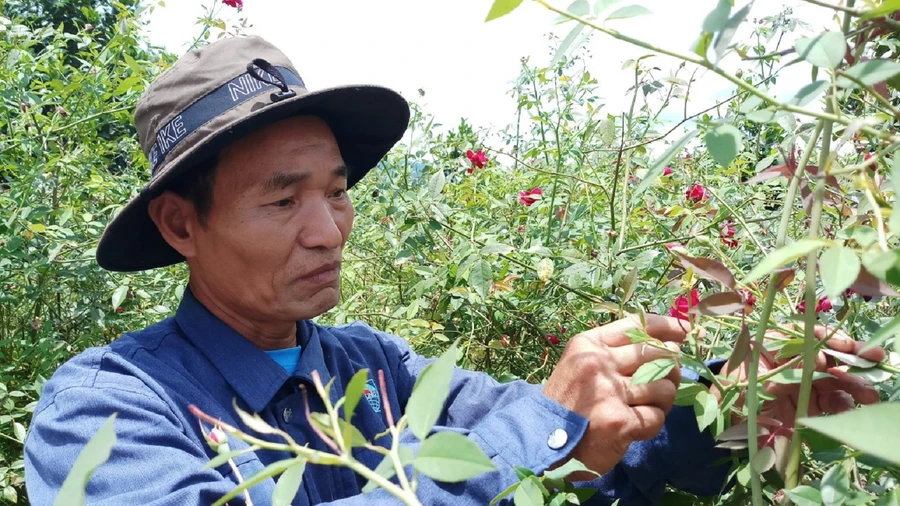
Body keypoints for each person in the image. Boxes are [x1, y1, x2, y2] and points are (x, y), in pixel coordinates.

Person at [23, 35, 884, 506]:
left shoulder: (377, 369)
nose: (329, 231)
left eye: (335, 192)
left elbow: (599, 458)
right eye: (283, 202)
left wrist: (726, 406)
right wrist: (541, 432)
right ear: (181, 224)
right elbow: (534, 440)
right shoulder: (105, 410)